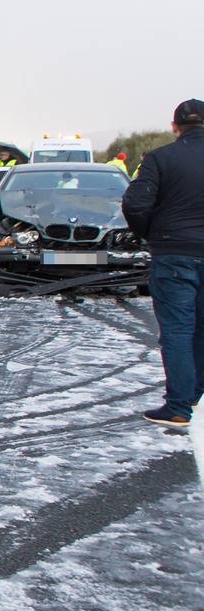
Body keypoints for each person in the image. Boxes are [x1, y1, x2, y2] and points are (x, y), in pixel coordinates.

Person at [123, 98, 204, 429]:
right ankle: (193, 391)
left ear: (175, 126)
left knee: (178, 329)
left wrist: (148, 234)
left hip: (174, 253)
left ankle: (178, 406)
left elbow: (135, 202)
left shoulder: (159, 158)